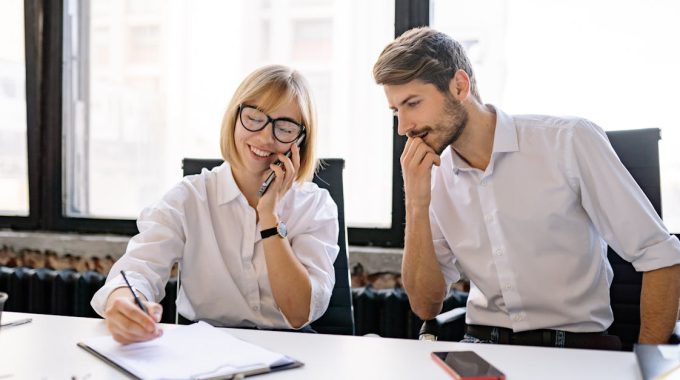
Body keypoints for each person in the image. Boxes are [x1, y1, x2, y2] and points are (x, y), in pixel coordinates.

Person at [373, 27, 680, 350]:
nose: (403, 127)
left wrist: (646, 369)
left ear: (460, 86)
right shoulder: (434, 174)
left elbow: (660, 256)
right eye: (396, 111)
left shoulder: (568, 141)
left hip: (574, 351)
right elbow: (425, 306)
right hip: (482, 349)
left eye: (412, 104)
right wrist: (417, 203)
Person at [91, 65, 339, 344]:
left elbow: (298, 313)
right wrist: (123, 303)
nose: (265, 137)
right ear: (234, 118)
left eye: (284, 128)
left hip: (291, 349)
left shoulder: (316, 205)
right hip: (204, 349)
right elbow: (138, 268)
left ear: (300, 141)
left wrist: (268, 216)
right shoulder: (189, 197)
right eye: (254, 117)